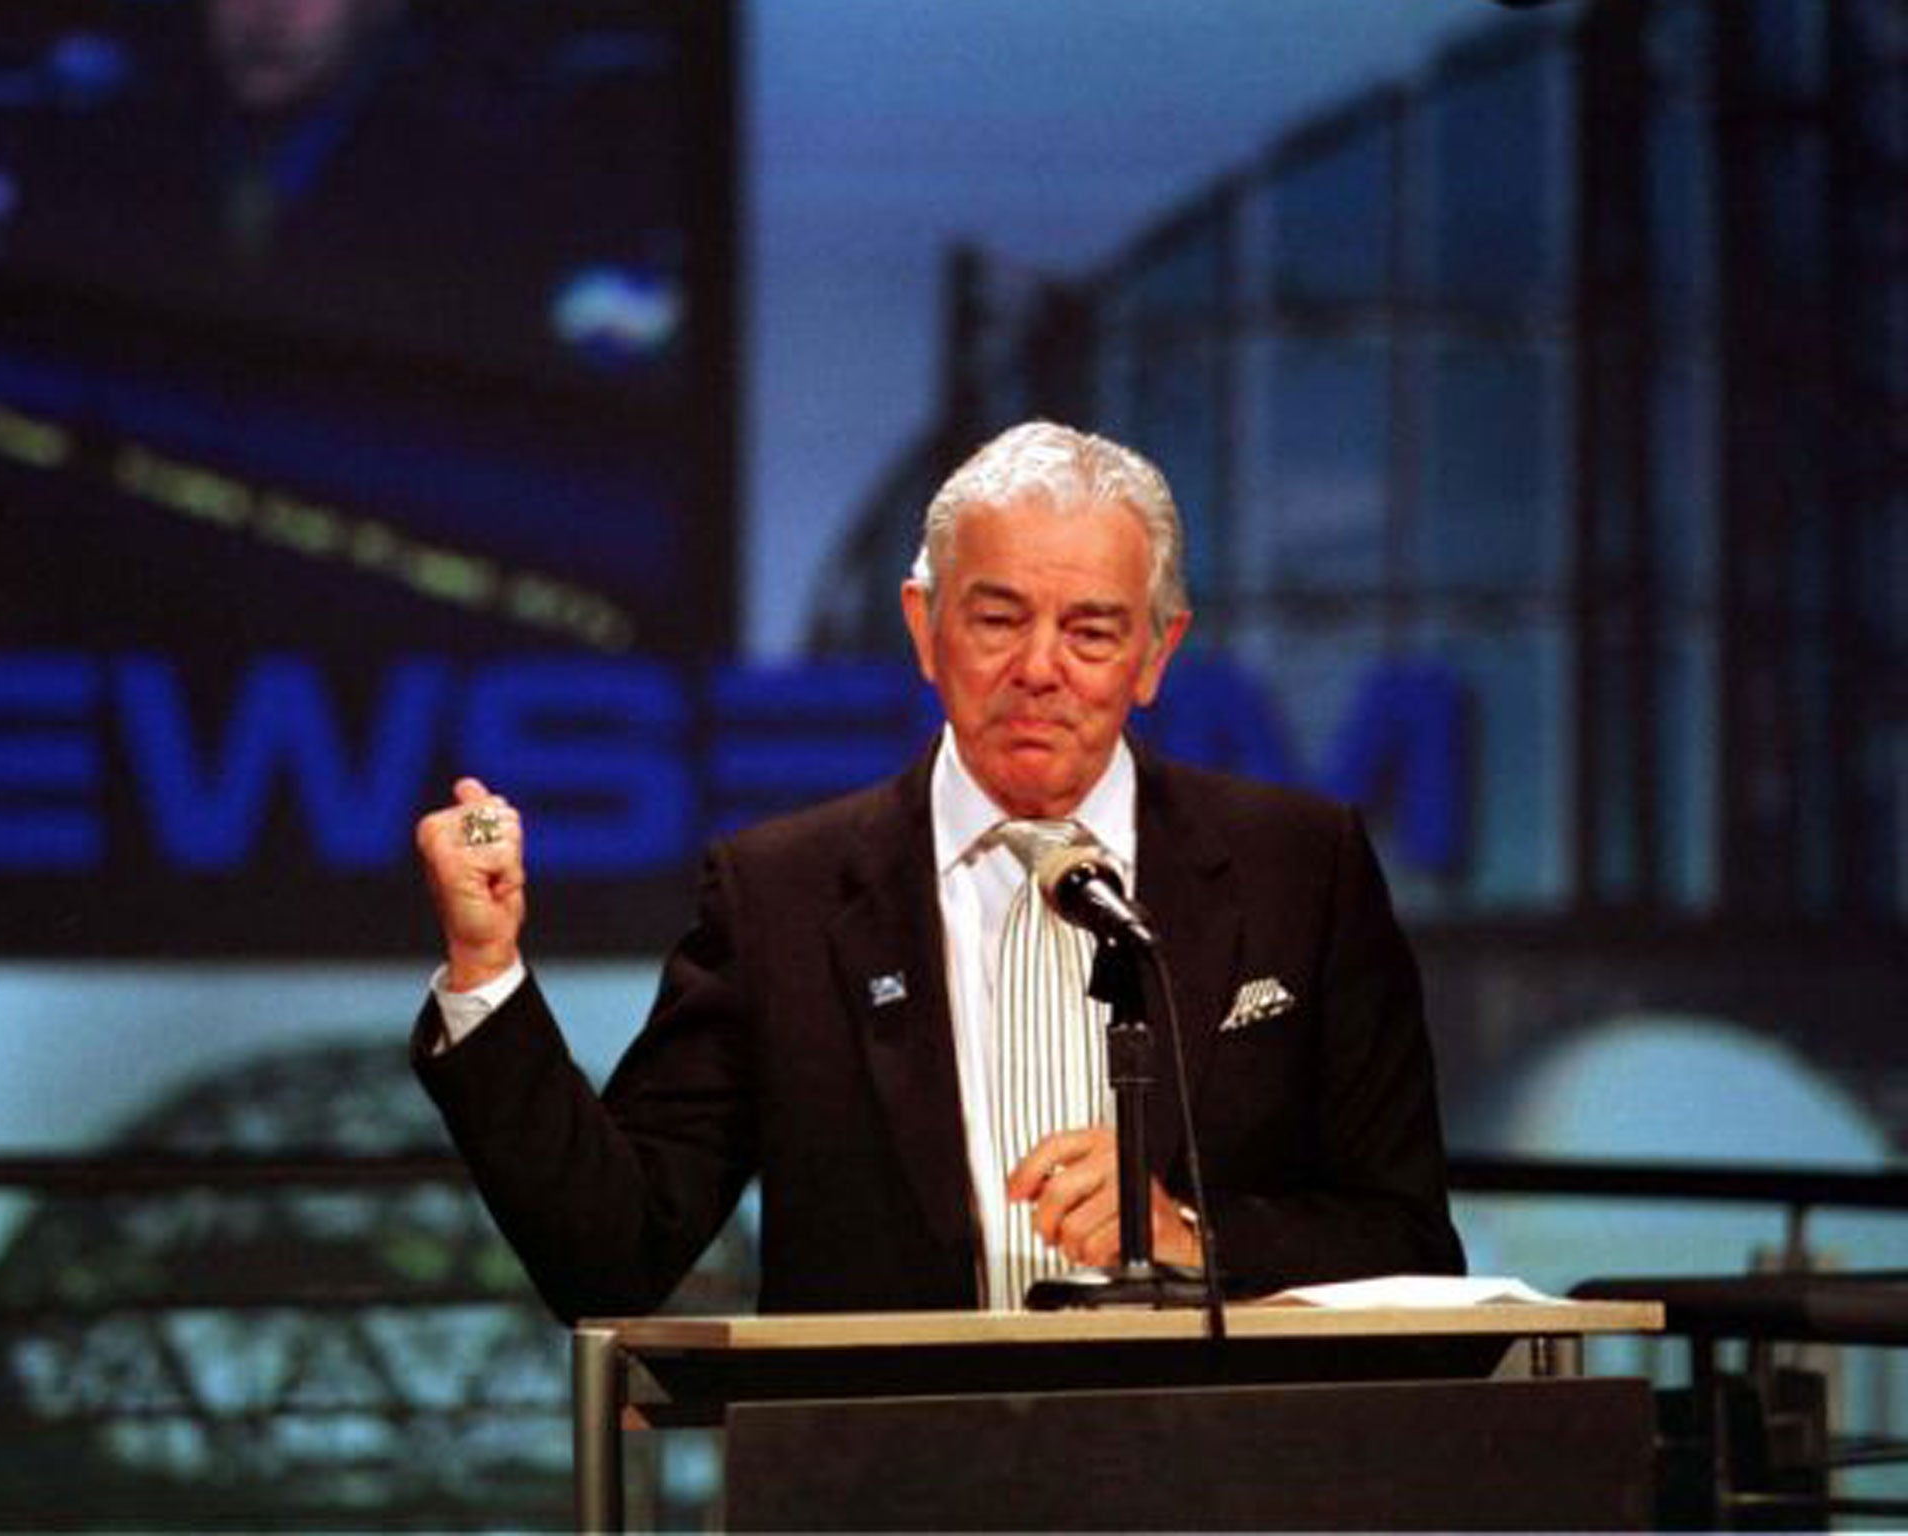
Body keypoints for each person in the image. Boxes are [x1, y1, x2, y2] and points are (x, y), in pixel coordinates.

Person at [413, 420, 1464, 1323]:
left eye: (1090, 631)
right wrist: (484, 971)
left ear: (1155, 654)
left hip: (1216, 1487)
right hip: (898, 1486)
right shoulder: (781, 897)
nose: (1038, 668)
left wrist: (1186, 1233)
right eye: (997, 618)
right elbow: (613, 1252)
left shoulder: (1301, 869)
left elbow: (1409, 1242)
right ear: (924, 629)